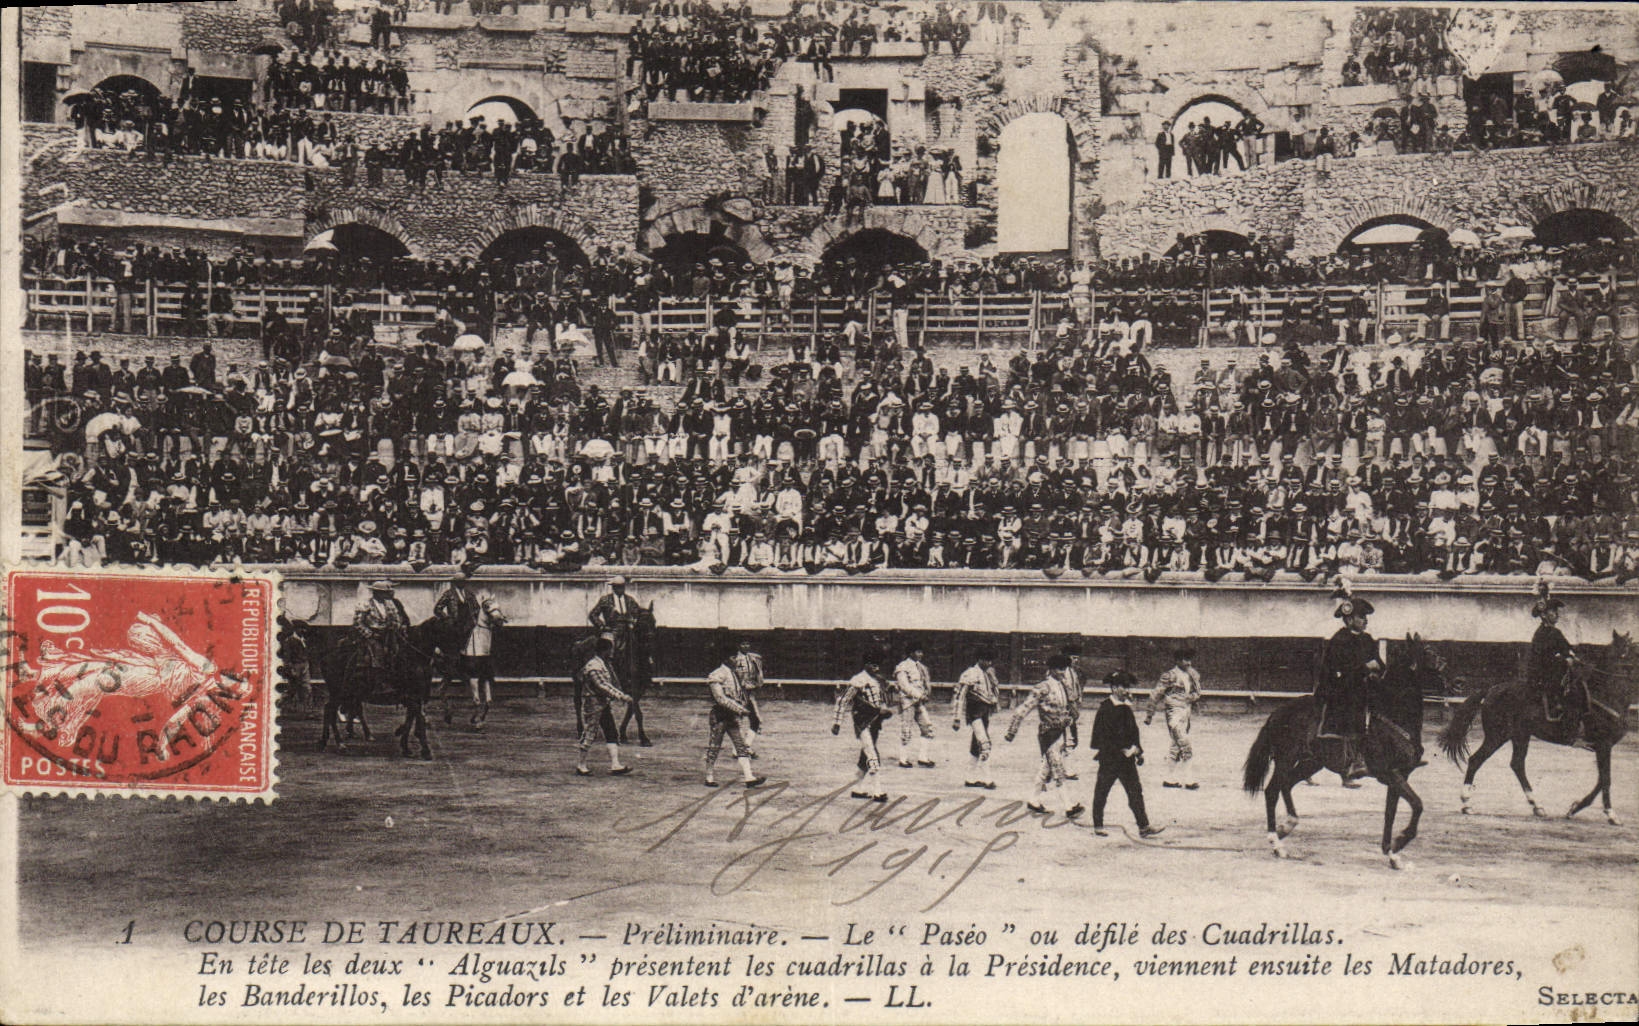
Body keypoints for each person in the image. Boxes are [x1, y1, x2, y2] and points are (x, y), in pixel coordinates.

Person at [1314, 585, 1383, 782]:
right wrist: (1366, 668)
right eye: (1361, 617)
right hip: (1340, 691)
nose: (1365, 621)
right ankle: (1350, 764)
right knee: (1352, 717)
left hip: (1363, 689)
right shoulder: (1339, 640)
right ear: (1349, 619)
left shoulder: (1367, 639)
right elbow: (1339, 672)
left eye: (1365, 617)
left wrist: (1378, 670)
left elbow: (1378, 663)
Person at [1004, 654, 1082, 818]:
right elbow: (1022, 709)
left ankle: (1033, 801)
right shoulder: (1042, 688)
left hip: (1060, 733)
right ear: (1051, 670)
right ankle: (1069, 807)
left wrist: (1073, 715)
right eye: (1060, 669)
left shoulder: (1064, 686)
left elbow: (1072, 710)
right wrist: (1012, 731)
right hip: (1048, 734)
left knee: (1045, 769)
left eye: (1064, 669)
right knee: (1057, 769)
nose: (1063, 672)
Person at [1089, 670, 1163, 837]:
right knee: (1102, 791)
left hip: (1127, 760)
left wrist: (1138, 750)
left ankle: (1144, 827)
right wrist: (1120, 749)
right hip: (1110, 759)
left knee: (1135, 792)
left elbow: (1133, 733)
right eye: (1123, 687)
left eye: (1128, 687)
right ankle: (1098, 826)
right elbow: (1100, 738)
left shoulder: (1126, 708)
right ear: (1114, 688)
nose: (1127, 690)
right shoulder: (1105, 708)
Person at [703, 640, 766, 788]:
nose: (736, 660)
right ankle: (709, 777)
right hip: (719, 717)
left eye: (736, 657)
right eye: (733, 657)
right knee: (714, 747)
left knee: (741, 746)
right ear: (725, 659)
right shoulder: (716, 675)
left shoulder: (735, 674)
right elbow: (720, 699)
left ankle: (749, 778)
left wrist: (744, 706)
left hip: (732, 717)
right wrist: (740, 709)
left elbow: (741, 693)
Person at [833, 650, 893, 802]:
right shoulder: (858, 680)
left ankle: (858, 789)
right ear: (866, 665)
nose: (876, 668)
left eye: (878, 665)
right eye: (873, 665)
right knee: (872, 754)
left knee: (865, 755)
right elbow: (843, 700)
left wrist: (885, 710)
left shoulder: (878, 680)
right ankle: (878, 791)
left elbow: (883, 701)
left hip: (875, 722)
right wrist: (837, 722)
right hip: (862, 721)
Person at [1529, 582, 1584, 744]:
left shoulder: (1555, 632)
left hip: (1553, 668)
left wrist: (1574, 656)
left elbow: (1565, 648)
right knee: (1567, 688)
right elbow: (1541, 658)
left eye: (1556, 612)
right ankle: (1563, 718)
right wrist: (1563, 660)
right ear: (1544, 615)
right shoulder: (1541, 633)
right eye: (1553, 612)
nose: (1557, 615)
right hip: (1542, 672)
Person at [576, 635, 633, 776]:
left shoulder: (601, 664)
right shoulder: (594, 666)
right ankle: (581, 765)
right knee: (590, 732)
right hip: (593, 705)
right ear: (605, 650)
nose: (612, 652)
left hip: (602, 703)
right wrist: (621, 696)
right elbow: (603, 685)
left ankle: (615, 764)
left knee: (611, 732)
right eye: (610, 649)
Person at [1146, 646, 1202, 788]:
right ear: (1177, 661)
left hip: (1186, 714)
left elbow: (1198, 693)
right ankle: (1189, 780)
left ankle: (1169, 779)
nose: (1188, 663)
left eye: (1189, 659)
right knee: (1185, 745)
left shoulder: (1193, 675)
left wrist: (1191, 698)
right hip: (1174, 715)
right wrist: (1149, 714)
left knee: (1176, 747)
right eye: (1185, 660)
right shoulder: (1169, 676)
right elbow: (1156, 694)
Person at [951, 649, 1001, 789]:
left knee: (976, 746)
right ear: (979, 660)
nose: (988, 663)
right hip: (974, 714)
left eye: (990, 661)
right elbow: (960, 696)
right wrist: (956, 718)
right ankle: (988, 780)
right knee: (984, 745)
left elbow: (993, 695)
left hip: (984, 714)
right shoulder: (970, 673)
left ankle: (970, 779)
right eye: (986, 660)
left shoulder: (988, 674)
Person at [461, 576, 507, 729]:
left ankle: (485, 704)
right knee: (460, 638)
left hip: (482, 634)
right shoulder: (463, 598)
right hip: (466, 625)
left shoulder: (476, 598)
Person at [893, 643, 937, 767]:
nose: (921, 654)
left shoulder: (922, 667)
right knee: (906, 730)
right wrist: (919, 695)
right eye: (918, 652)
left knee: (927, 727)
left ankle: (923, 758)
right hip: (907, 702)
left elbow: (925, 683)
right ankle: (903, 759)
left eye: (921, 652)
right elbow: (904, 686)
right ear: (911, 653)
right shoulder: (902, 667)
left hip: (919, 702)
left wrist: (926, 693)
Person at [730, 637, 766, 748]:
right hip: (737, 694)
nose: (746, 646)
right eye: (743, 644)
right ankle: (739, 749)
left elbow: (759, 676)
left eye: (747, 644)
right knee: (737, 721)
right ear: (738, 646)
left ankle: (745, 747)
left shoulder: (754, 658)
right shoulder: (734, 659)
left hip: (750, 694)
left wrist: (757, 684)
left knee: (756, 721)